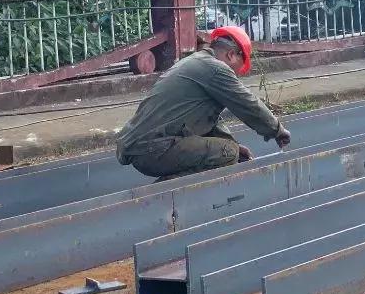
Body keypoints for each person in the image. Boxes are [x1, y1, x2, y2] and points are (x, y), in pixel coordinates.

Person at [116, 25, 291, 180]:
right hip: (152, 148)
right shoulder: (216, 69)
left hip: (143, 147)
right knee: (228, 152)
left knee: (230, 150)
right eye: (239, 68)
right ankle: (161, 198)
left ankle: (161, 195)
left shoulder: (195, 62)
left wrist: (236, 147)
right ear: (231, 54)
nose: (236, 75)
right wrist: (277, 130)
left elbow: (211, 120)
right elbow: (247, 103)